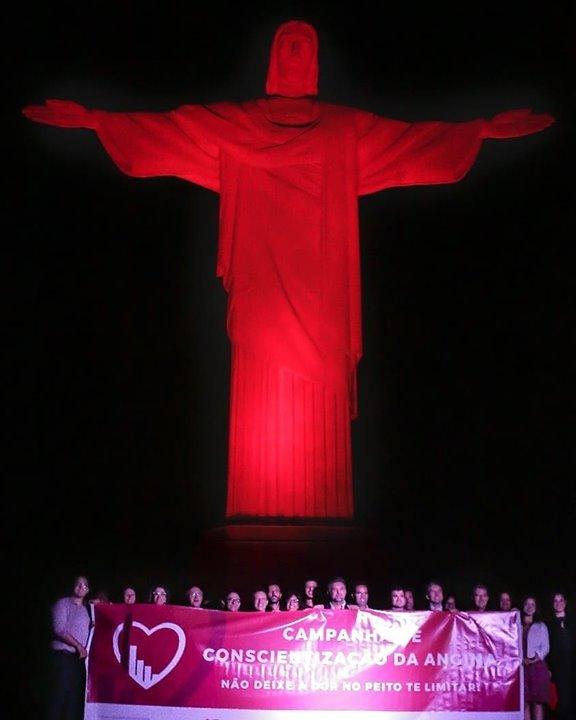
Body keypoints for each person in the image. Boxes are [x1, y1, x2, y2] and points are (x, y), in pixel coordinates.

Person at [22, 21, 554, 521]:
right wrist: (97, 120)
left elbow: (411, 142)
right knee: (260, 418)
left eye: (306, 43)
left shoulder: (345, 130)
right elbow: (170, 130)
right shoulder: (238, 125)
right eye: (288, 42)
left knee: (316, 427)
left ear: (315, 60)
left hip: (322, 305)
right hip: (261, 296)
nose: (297, 50)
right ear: (276, 58)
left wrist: (477, 131)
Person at [47, 575, 92, 720]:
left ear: (88, 590)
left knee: (73, 703)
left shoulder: (87, 610)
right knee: (57, 699)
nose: (81, 587)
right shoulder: (63, 604)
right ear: (73, 586)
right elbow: (58, 629)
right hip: (62, 657)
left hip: (77, 662)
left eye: (84, 585)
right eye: (78, 584)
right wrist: (79, 646)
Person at [521, 595, 550, 720]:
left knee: (537, 703)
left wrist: (533, 660)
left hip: (537, 667)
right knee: (525, 702)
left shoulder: (541, 626)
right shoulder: (516, 624)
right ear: (523, 606)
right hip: (522, 668)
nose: (529, 607)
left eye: (532, 604)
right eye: (527, 604)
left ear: (536, 607)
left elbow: (545, 647)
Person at [548, 591, 575, 720]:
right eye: (555, 601)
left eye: (561, 600)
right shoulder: (548, 623)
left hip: (572, 664)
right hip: (557, 667)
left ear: (565, 602)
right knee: (561, 699)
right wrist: (549, 667)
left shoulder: (573, 620)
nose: (558, 603)